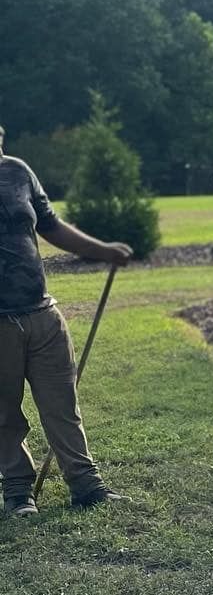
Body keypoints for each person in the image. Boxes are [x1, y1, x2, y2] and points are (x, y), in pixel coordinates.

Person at [0, 124, 132, 517]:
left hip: (42, 313)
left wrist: (103, 251)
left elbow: (52, 225)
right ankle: (19, 493)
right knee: (4, 412)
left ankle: (86, 486)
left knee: (63, 405)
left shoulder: (18, 171)